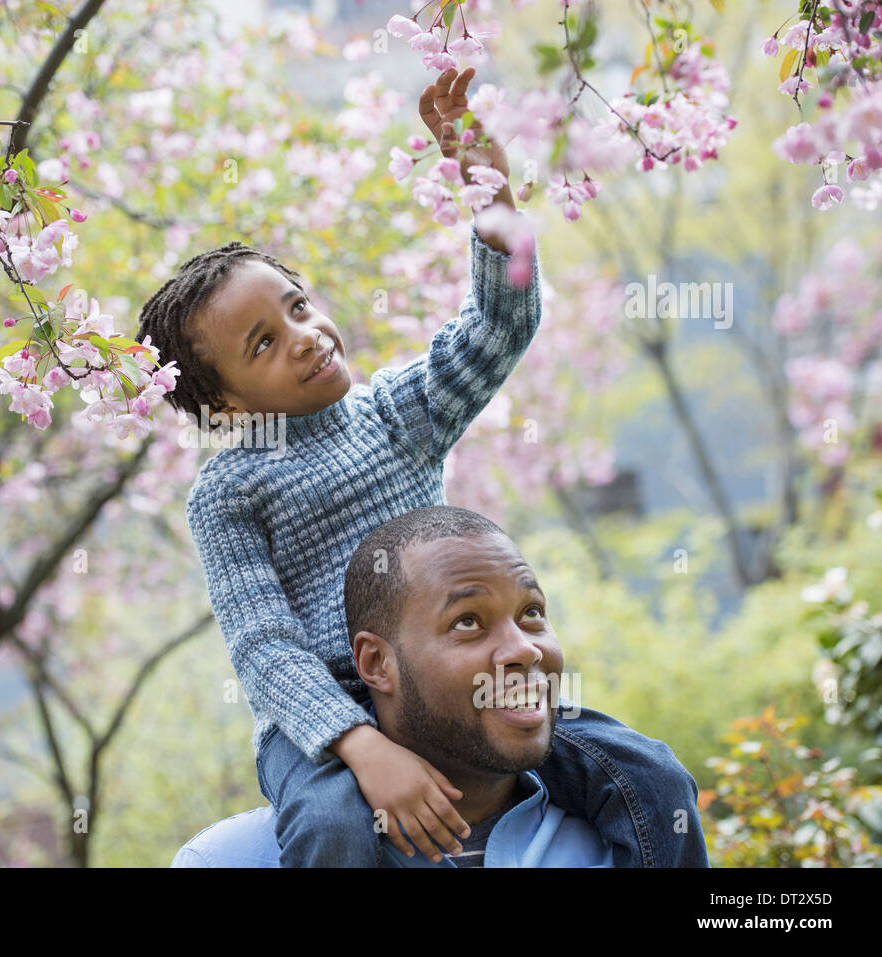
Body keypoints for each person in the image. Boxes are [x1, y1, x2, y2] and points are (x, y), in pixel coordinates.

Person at [139, 66, 704, 867]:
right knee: (336, 828)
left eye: (298, 305)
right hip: (322, 720)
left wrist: (493, 205)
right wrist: (360, 746)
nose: (304, 333)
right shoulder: (228, 494)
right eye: (263, 342)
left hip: (458, 678)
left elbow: (496, 329)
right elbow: (264, 645)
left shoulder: (394, 410)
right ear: (225, 406)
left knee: (652, 778)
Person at [171, 507, 709, 867]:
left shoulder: (625, 835)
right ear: (377, 664)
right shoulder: (231, 859)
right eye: (468, 622)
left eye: (533, 613)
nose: (524, 648)